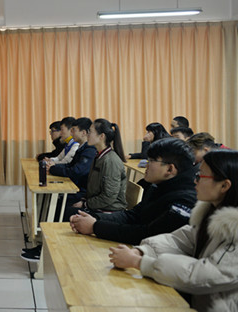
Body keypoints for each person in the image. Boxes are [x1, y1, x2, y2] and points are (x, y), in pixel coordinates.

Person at [109, 149, 238, 312]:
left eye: (201, 176)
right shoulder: (212, 212)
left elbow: (205, 275)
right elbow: (180, 240)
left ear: (224, 185)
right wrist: (142, 251)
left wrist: (140, 263)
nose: (195, 181)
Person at [70, 137, 197, 245]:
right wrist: (94, 217)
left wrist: (95, 227)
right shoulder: (159, 185)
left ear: (170, 169)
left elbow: (148, 235)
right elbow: (132, 215)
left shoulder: (185, 200)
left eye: (151, 161)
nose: (146, 165)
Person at [21, 118, 97, 262]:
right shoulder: (82, 148)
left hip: (81, 192)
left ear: (84, 133)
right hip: (79, 189)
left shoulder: (89, 150)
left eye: (74, 130)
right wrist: (54, 167)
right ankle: (42, 242)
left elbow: (76, 171)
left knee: (55, 203)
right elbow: (68, 165)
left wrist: (85, 202)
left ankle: (47, 249)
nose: (71, 133)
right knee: (50, 199)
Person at [65, 119, 127, 219]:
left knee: (64, 211)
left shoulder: (111, 161)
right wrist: (84, 200)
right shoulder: (98, 156)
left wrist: (85, 204)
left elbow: (109, 197)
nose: (87, 135)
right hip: (98, 206)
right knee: (63, 205)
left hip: (108, 211)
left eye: (90, 132)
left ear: (102, 136)